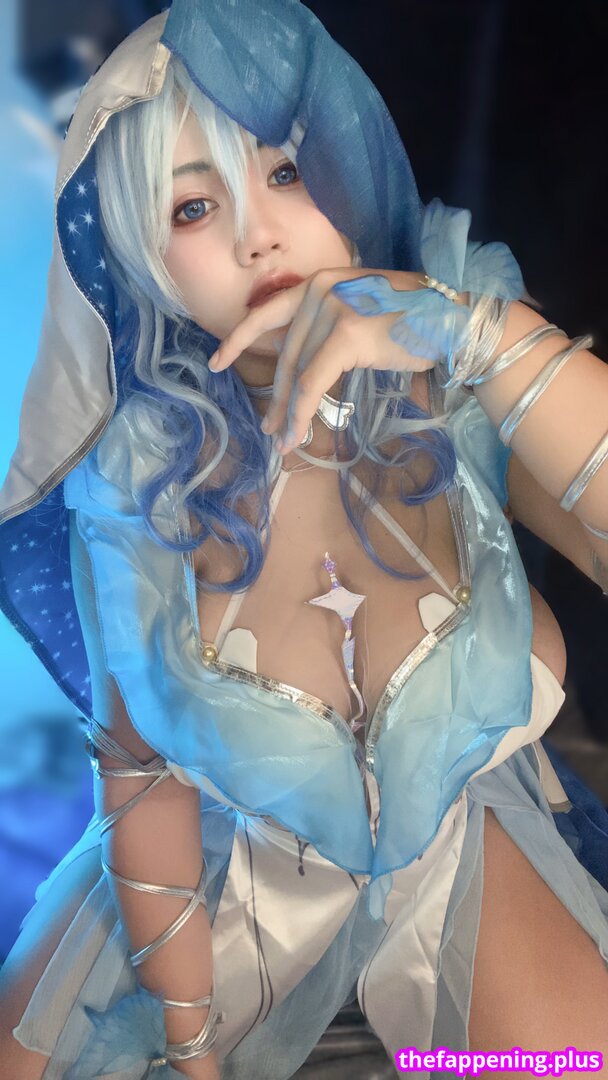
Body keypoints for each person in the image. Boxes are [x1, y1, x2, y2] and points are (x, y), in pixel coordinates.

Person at [0, 2, 607, 1078]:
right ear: (140, 255)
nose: (258, 235)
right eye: (194, 206)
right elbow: (140, 772)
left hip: (457, 848)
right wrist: (189, 1046)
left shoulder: (453, 365)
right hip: (227, 872)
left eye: (286, 171)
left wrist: (475, 334)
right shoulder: (137, 476)